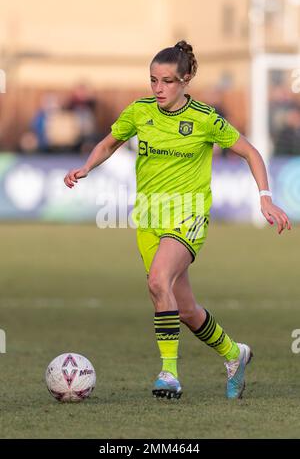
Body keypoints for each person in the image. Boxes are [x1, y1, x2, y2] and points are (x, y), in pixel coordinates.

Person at [64, 40, 291, 400]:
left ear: (185, 80)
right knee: (183, 308)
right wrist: (87, 166)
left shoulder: (204, 118)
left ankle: (169, 373)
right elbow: (109, 142)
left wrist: (265, 198)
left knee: (157, 281)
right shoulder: (140, 111)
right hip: (149, 219)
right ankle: (235, 354)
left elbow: (250, 152)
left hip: (189, 215)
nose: (158, 88)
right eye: (153, 80)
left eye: (167, 81)